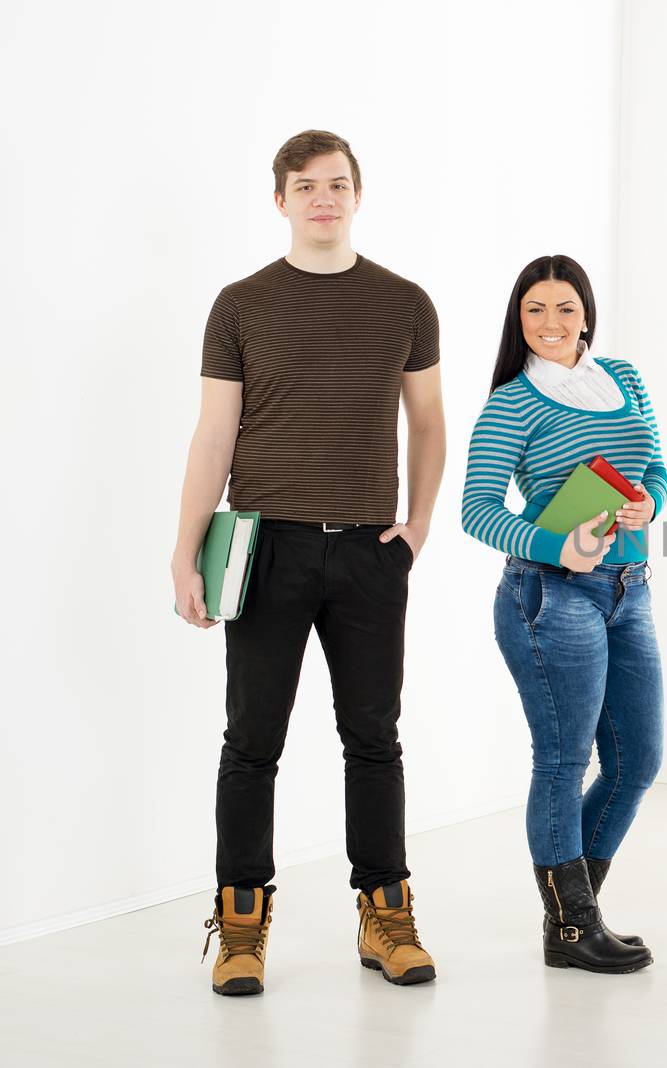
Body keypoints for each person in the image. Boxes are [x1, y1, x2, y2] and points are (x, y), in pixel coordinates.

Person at [173, 130, 446, 995]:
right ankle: (242, 923)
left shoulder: (405, 302)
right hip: (267, 547)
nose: (322, 198)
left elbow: (430, 421)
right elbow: (216, 432)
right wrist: (184, 551)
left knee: (374, 739)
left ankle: (385, 911)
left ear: (357, 196)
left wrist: (420, 523)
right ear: (281, 200)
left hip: (370, 550)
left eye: (336, 184)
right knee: (252, 741)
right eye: (305, 185)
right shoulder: (241, 304)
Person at [461, 255, 665, 975]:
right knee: (563, 759)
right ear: (519, 321)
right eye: (535, 311)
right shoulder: (512, 403)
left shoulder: (625, 379)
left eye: (565, 308)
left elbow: (656, 468)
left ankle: (569, 918)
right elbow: (477, 512)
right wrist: (557, 545)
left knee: (638, 759)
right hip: (551, 596)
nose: (552, 324)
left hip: (628, 590)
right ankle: (575, 926)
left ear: (587, 312)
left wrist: (649, 504)